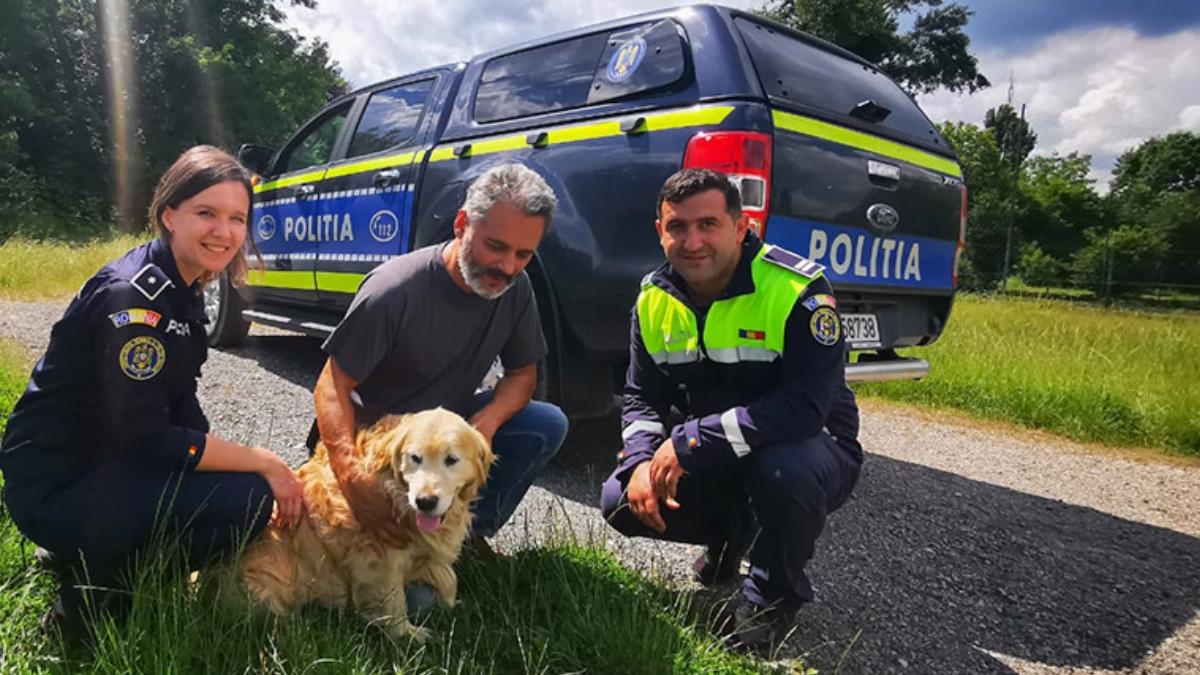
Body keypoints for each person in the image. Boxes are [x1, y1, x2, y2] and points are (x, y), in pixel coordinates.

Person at [0, 146, 306, 640]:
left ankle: (90, 552)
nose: (224, 232)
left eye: (237, 218)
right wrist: (263, 460)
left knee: (231, 492)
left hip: (92, 467)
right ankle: (94, 595)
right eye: (206, 213)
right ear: (169, 214)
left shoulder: (180, 286)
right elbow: (145, 437)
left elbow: (179, 403)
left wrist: (217, 465)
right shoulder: (135, 300)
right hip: (54, 486)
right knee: (250, 498)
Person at [599, 169, 863, 649]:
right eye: (677, 226)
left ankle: (772, 599)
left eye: (708, 224)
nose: (692, 241)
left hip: (810, 447)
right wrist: (640, 460)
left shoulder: (797, 291)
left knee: (785, 471)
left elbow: (805, 409)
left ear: (740, 228)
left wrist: (689, 442)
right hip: (723, 452)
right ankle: (731, 536)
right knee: (620, 502)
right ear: (660, 232)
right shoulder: (652, 300)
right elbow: (642, 395)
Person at [312, 163, 568, 561]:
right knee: (416, 602)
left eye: (523, 254)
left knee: (547, 423)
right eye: (496, 246)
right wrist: (350, 474)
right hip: (378, 448)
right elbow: (332, 385)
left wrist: (487, 424)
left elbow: (523, 374)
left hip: (443, 435)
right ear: (462, 223)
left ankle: (466, 535)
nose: (507, 267)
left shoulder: (515, 290)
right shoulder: (394, 290)